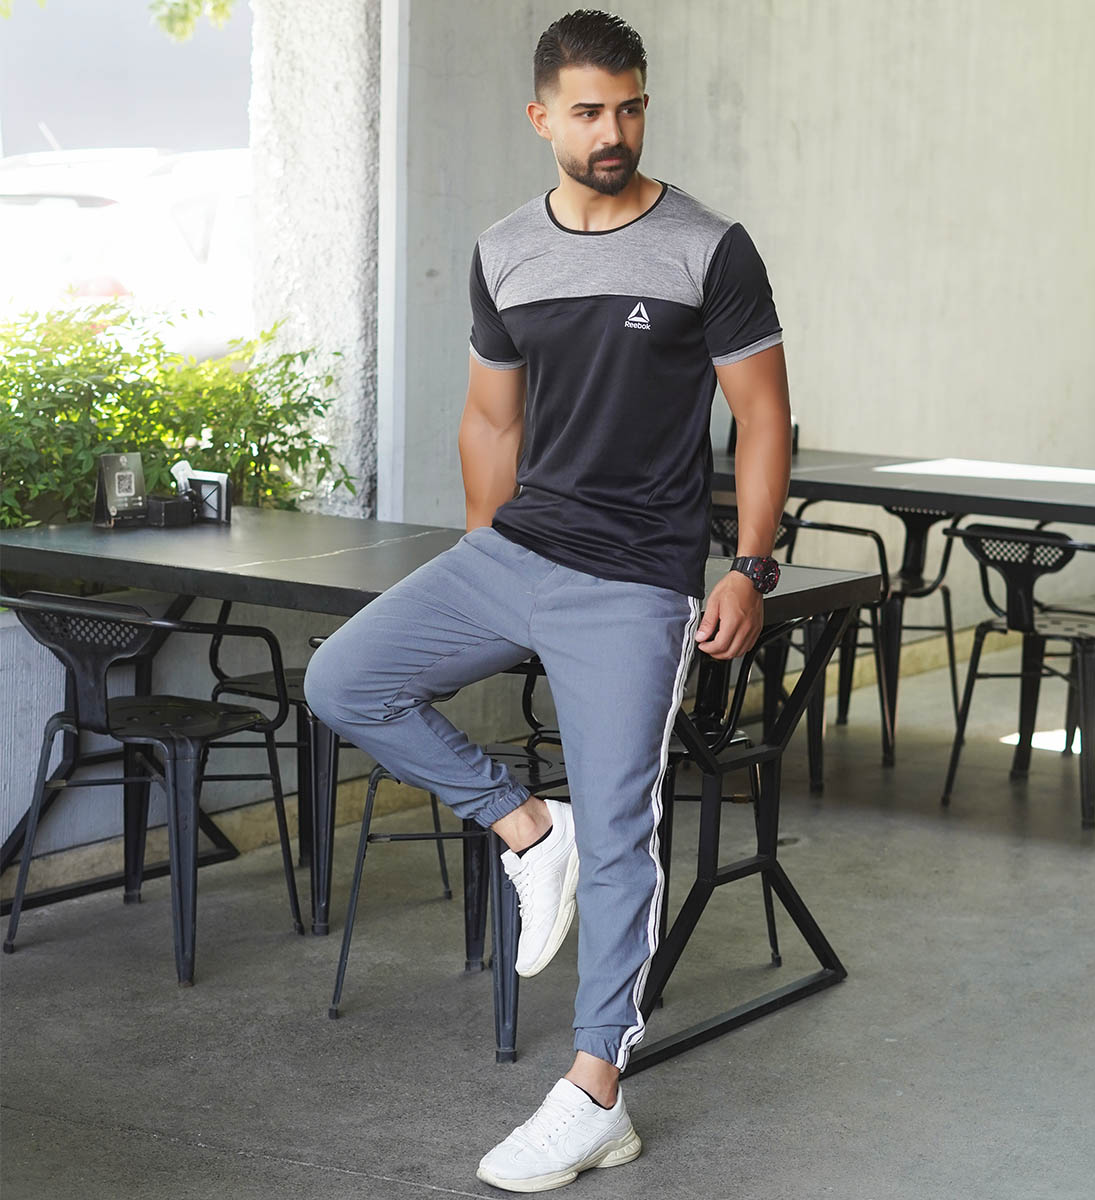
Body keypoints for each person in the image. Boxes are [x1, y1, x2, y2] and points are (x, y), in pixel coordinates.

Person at [305, 9, 792, 1192]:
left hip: (635, 580)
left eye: (630, 108)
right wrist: (486, 559)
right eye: (588, 112)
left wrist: (750, 566)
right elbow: (491, 417)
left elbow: (763, 413)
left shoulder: (709, 248)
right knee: (343, 679)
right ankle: (528, 828)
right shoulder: (506, 250)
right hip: (517, 551)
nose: (613, 131)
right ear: (542, 119)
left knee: (624, 832)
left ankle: (596, 1091)